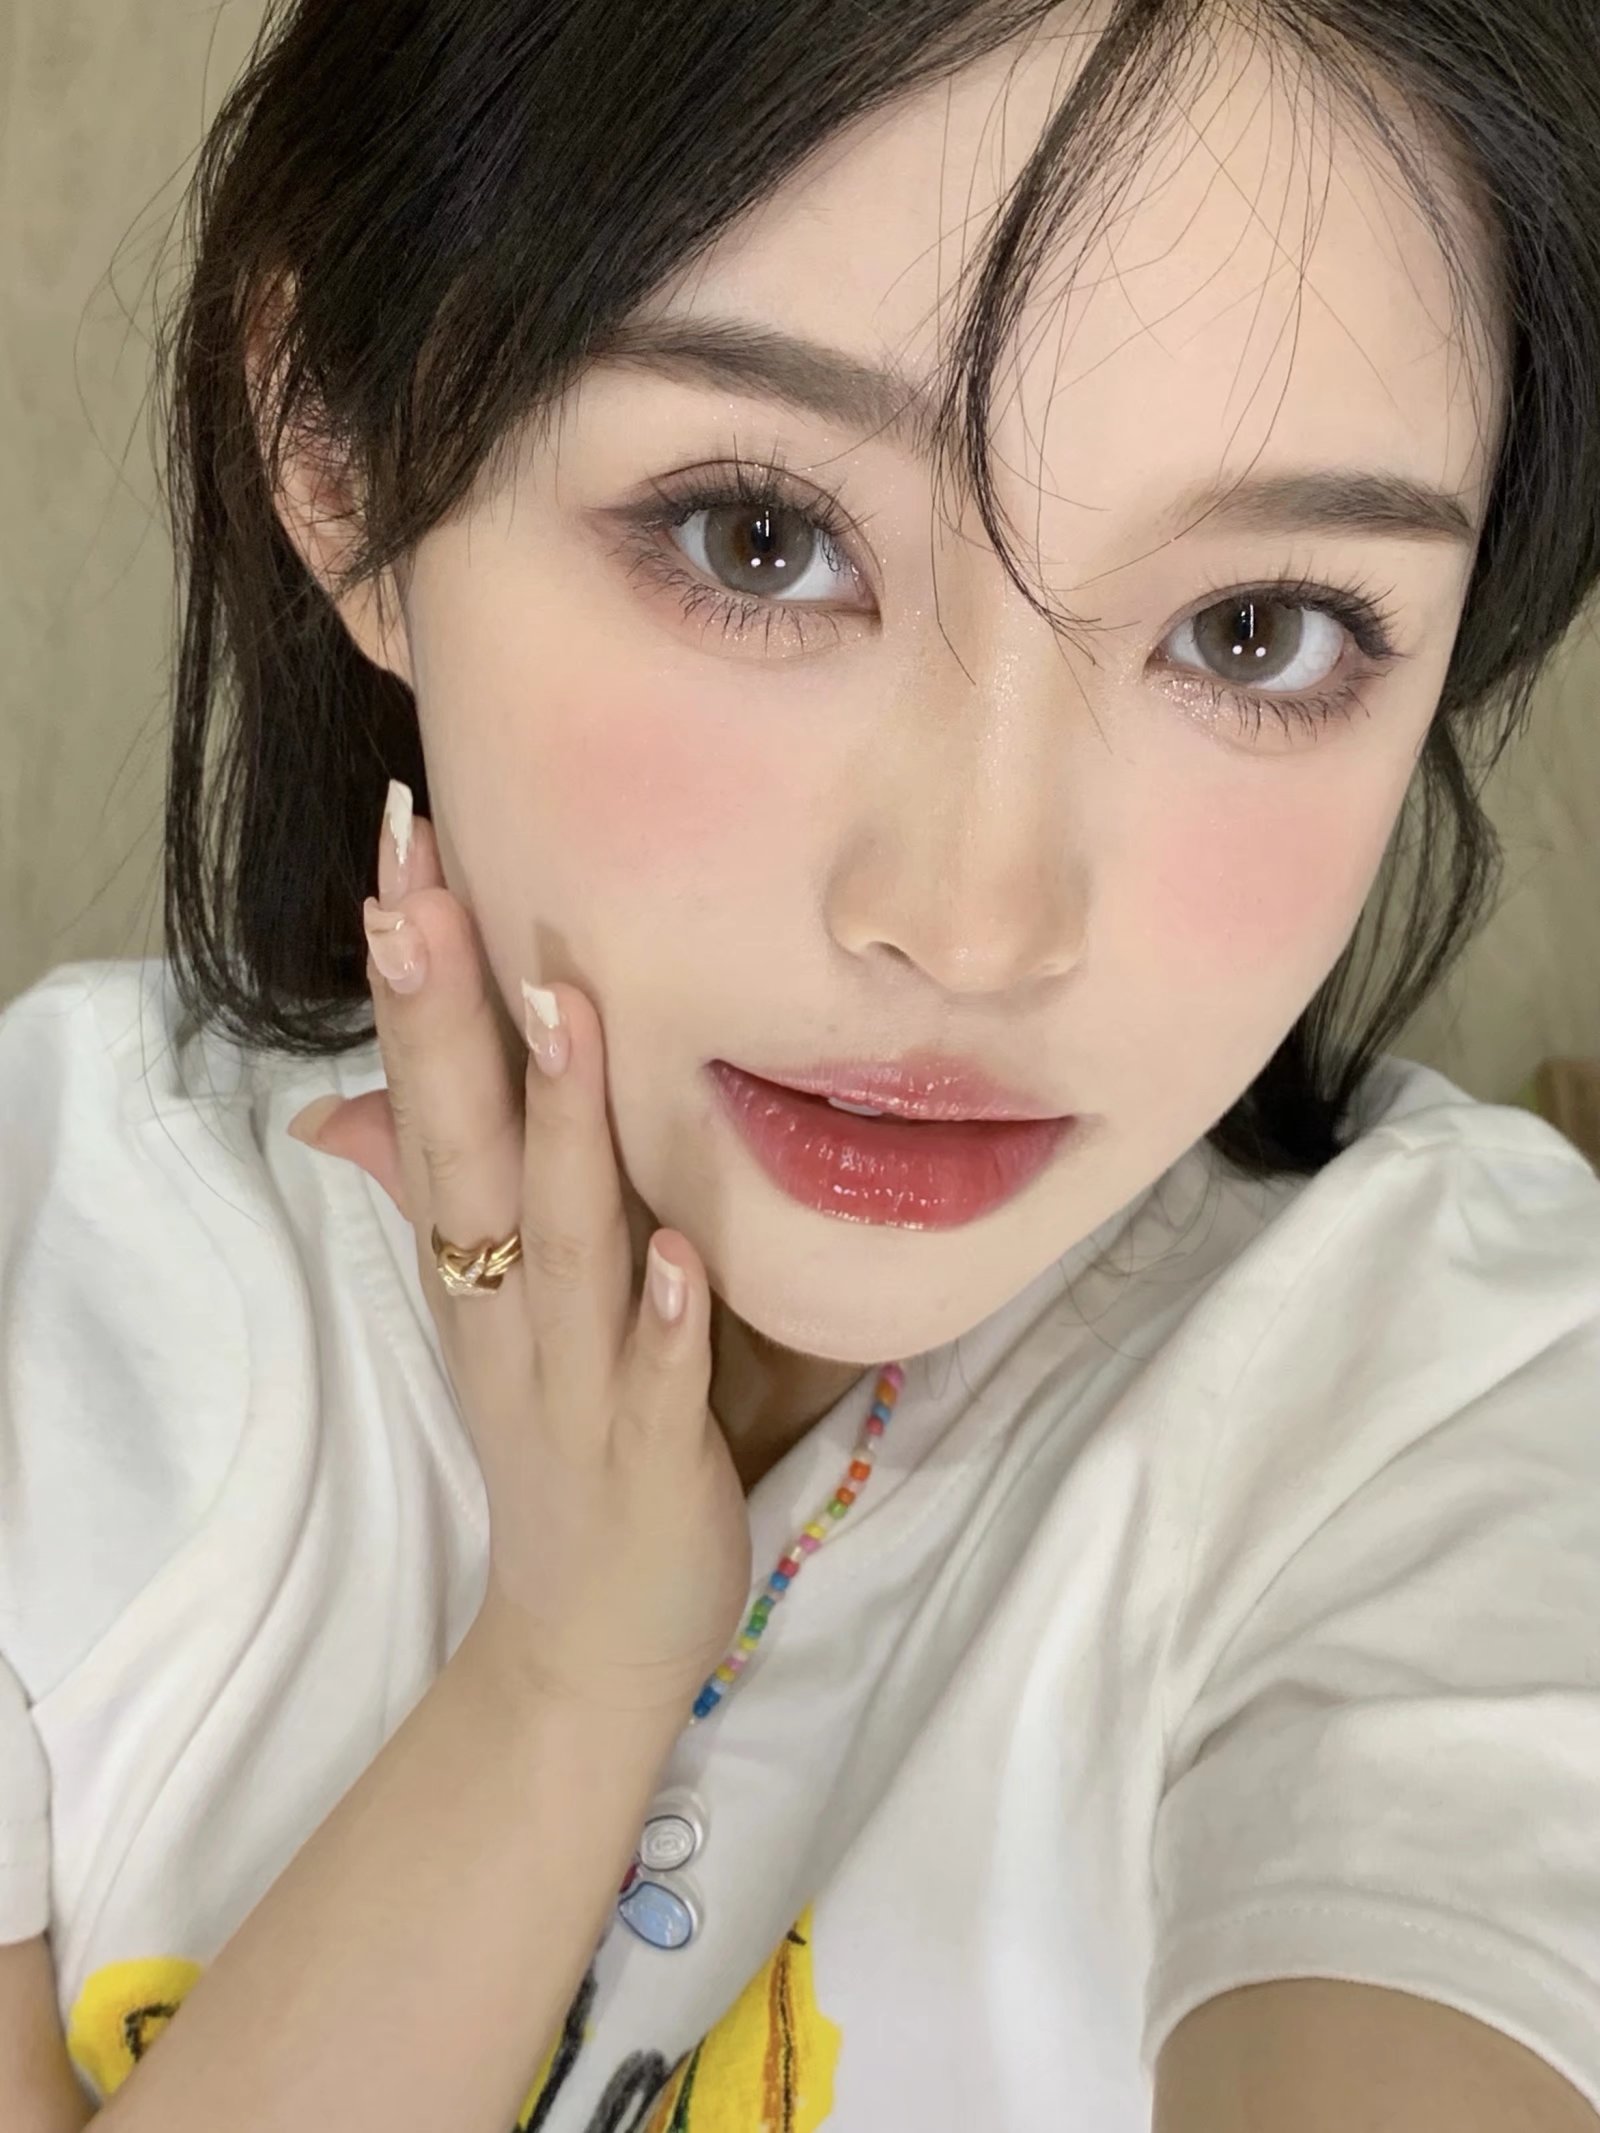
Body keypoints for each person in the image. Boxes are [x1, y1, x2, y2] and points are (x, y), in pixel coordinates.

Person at [3, 0, 1599, 2126]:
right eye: (757, 535)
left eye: (1255, 629)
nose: (974, 921)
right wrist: (564, 1669)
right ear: (340, 457)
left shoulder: (1449, 1400)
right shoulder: (50, 1260)